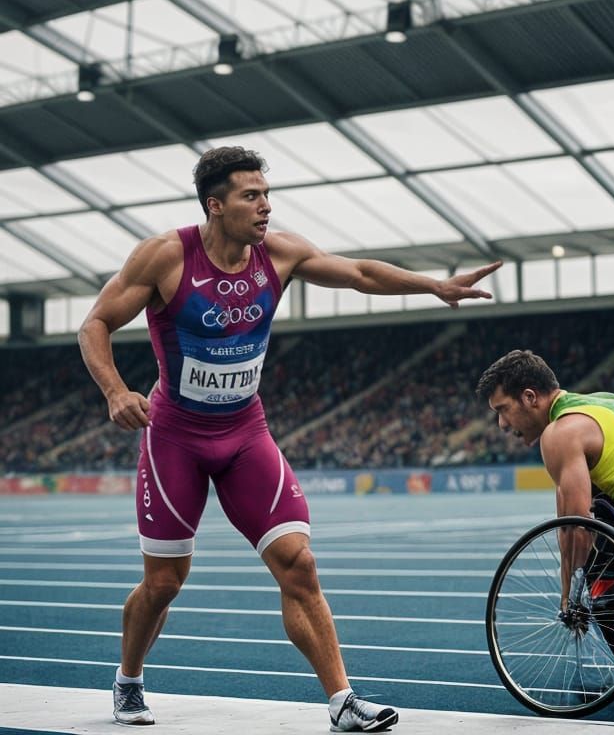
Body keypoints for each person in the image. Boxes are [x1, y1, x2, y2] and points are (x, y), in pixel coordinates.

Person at [78, 145, 502, 730]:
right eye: (251, 196)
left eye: (267, 194)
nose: (266, 207)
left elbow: (359, 274)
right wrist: (114, 390)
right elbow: (95, 324)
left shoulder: (279, 253)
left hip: (245, 432)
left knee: (298, 562)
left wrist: (434, 286)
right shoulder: (165, 257)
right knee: (164, 581)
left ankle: (342, 702)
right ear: (215, 205)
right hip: (175, 436)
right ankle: (129, 680)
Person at [475, 349, 614, 610]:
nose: (502, 424)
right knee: (601, 502)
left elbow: (574, 526)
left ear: (529, 397)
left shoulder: (561, 432)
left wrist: (570, 598)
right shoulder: (602, 401)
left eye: (503, 410)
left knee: (591, 532)